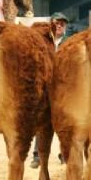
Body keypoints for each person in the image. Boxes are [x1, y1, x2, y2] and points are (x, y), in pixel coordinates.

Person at [30, 12, 69, 168]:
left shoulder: (69, 42)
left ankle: (64, 154)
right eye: (57, 23)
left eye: (62, 23)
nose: (59, 25)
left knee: (64, 122)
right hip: (44, 88)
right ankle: (37, 156)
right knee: (41, 122)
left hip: (62, 88)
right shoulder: (41, 41)